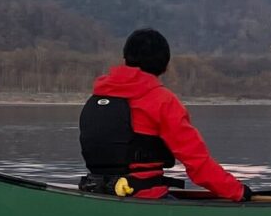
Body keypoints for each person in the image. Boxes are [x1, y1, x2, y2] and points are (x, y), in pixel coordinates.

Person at [81, 28, 247, 201]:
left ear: (125, 59)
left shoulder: (96, 98)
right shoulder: (163, 101)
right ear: (165, 65)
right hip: (145, 197)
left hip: (96, 193)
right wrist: (238, 191)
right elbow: (198, 164)